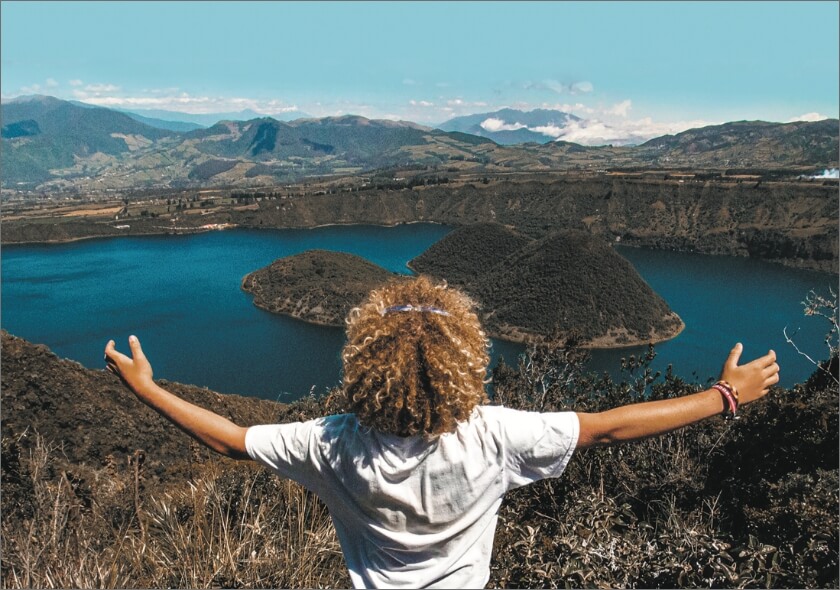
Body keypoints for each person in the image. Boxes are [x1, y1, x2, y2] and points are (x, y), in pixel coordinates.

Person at [104, 276, 780, 589]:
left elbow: (229, 438)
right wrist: (725, 395)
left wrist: (147, 388)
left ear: (365, 364)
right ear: (465, 365)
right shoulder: (494, 436)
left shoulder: (330, 444)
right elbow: (609, 430)